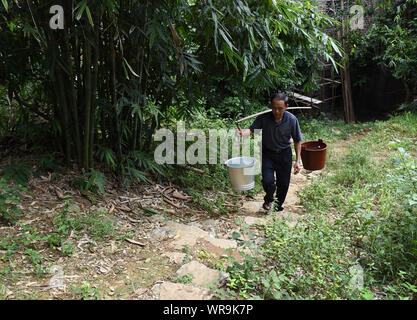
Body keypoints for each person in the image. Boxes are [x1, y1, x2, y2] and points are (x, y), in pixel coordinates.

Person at [236, 92, 303, 211]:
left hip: (284, 155)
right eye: (274, 108)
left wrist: (298, 161)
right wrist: (242, 134)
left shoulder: (292, 120)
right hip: (268, 154)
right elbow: (251, 131)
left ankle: (278, 205)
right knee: (268, 181)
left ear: (286, 107)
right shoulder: (264, 117)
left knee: (283, 183)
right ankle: (269, 199)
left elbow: (297, 141)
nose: (276, 111)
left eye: (280, 109)